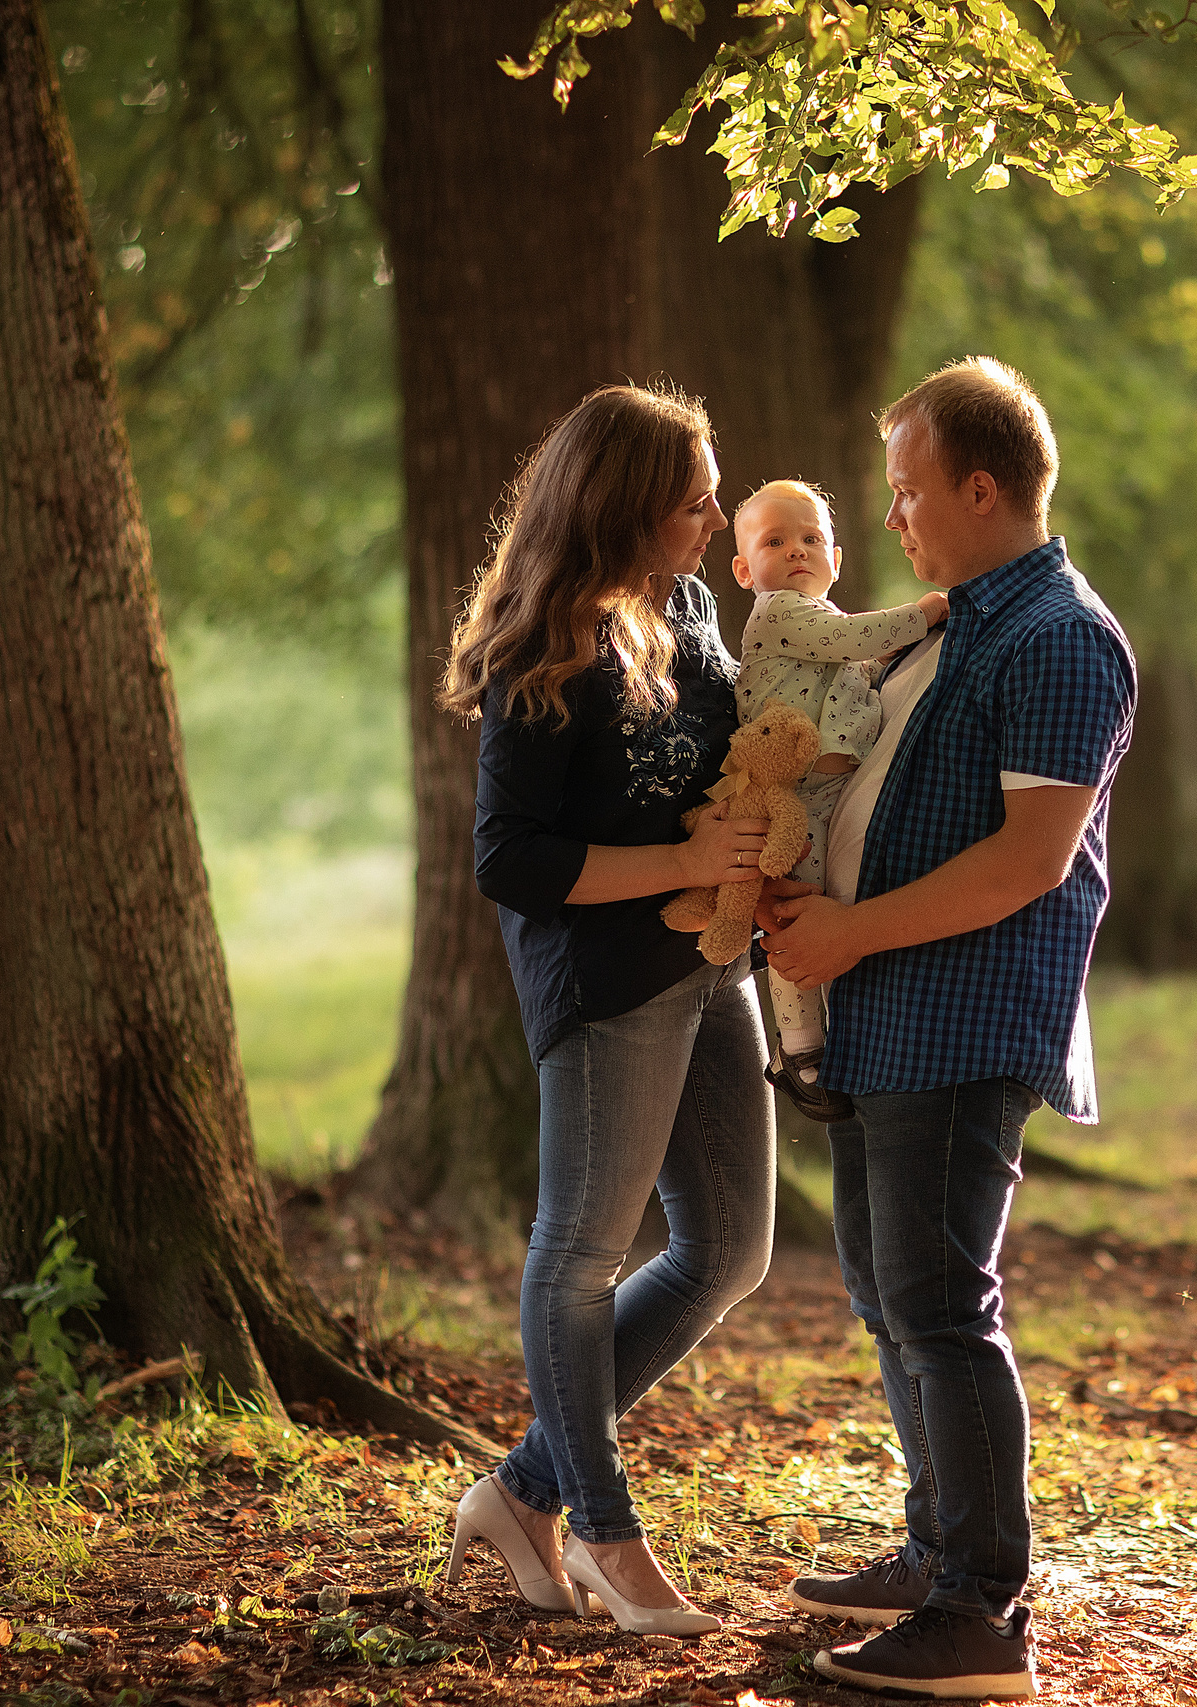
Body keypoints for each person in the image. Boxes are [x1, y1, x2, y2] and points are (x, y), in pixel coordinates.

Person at [760, 358, 1137, 1700]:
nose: (897, 516)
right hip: (883, 1010)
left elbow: (1031, 859)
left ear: (985, 490)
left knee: (938, 1296)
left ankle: (982, 1610)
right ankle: (935, 1553)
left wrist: (853, 929)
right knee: (886, 1286)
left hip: (961, 1021)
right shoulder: (962, 621)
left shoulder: (1058, 638)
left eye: (912, 492)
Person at [436, 382, 774, 1639]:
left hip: (707, 970)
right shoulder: (545, 644)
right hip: (605, 990)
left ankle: (522, 1493)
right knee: (581, 1252)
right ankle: (604, 1531)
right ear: (627, 507)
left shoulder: (684, 603)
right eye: (694, 498)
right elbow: (509, 860)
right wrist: (686, 865)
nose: (714, 513)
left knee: (728, 1249)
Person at [726, 478, 948, 1120]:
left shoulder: (831, 626)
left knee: (820, 901)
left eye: (811, 538)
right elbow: (859, 642)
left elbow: (860, 666)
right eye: (775, 542)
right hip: (787, 793)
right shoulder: (778, 614)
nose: (797, 551)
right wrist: (927, 611)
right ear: (745, 570)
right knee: (793, 912)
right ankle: (799, 1048)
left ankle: (834, 1031)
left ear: (836, 558)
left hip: (828, 793)